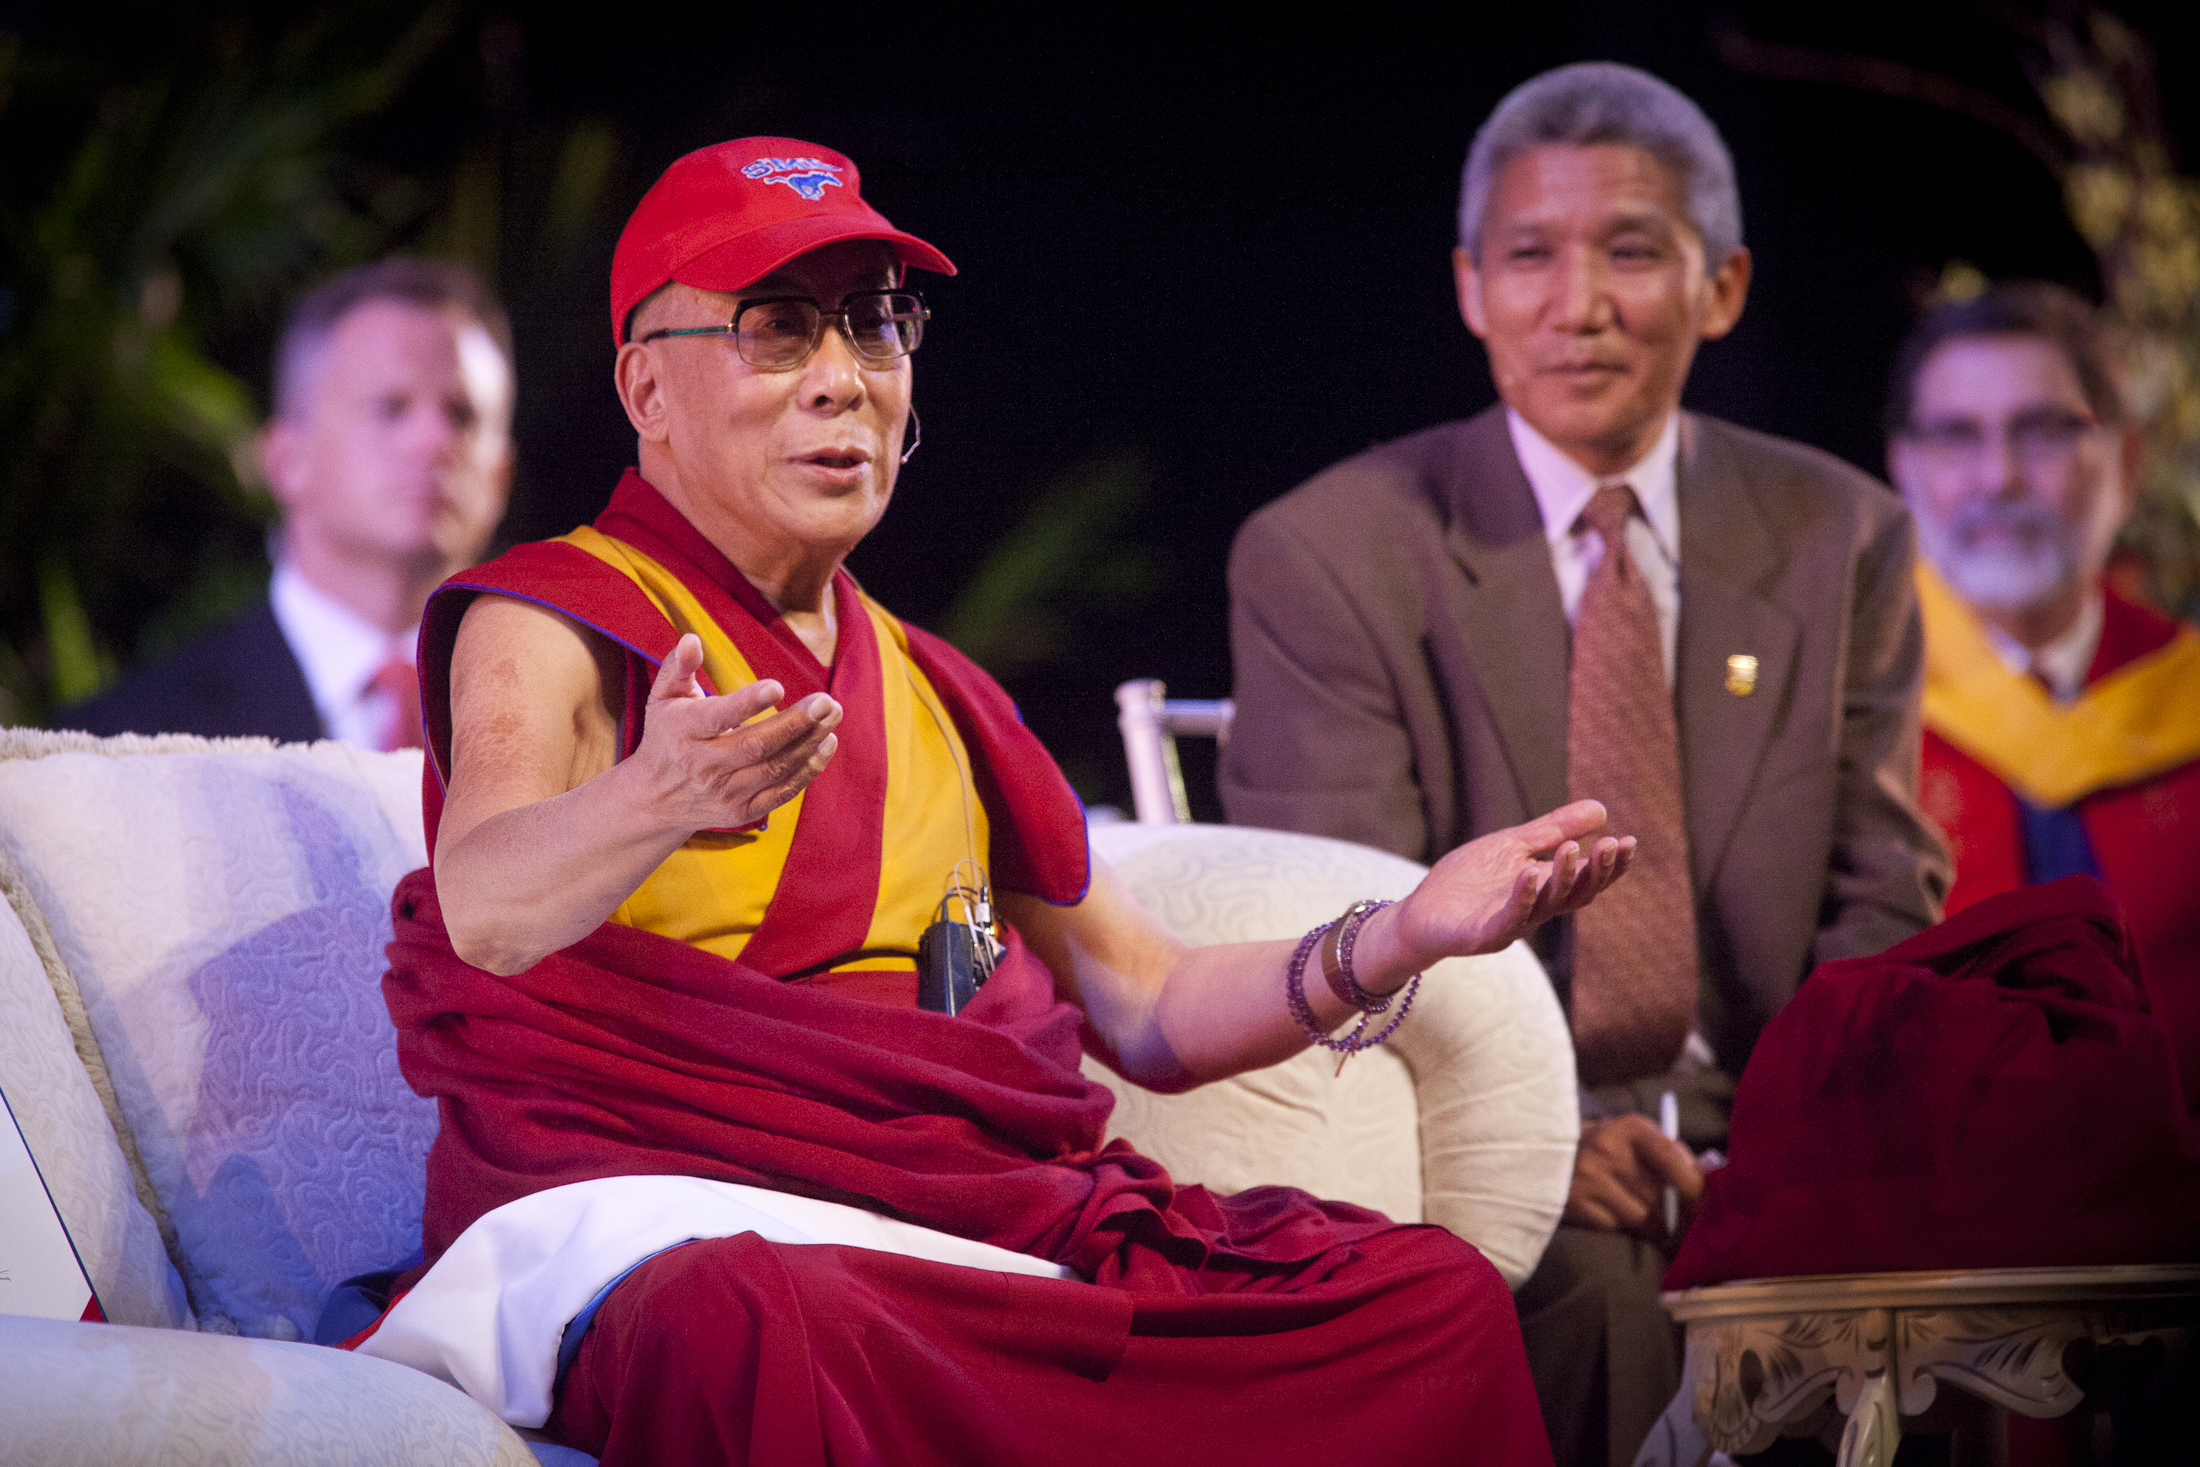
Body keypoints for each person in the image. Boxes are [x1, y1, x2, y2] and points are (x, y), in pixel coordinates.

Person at [353, 136, 1639, 1467]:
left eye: (877, 326)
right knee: (751, 1320)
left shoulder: (936, 691)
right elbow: (488, 909)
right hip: (666, 1228)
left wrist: (1403, 932)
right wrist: (654, 795)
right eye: (778, 331)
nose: (846, 381)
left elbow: (1143, 1004)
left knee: (1423, 1300)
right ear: (646, 386)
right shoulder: (557, 617)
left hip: (950, 1232)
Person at [1220, 63, 1948, 1467]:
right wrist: (1544, 1141)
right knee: (1589, 1289)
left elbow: (1881, 900)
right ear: (1470, 287)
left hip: (1780, 1130)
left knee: (1973, 1270)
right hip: (1493, 1129)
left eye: (1631, 251)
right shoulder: (1332, 552)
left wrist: (1802, 1153)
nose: (1581, 303)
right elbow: (1346, 932)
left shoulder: (1839, 534)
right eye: (1532, 256)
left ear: (1722, 286)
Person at [1887, 281, 2200, 1099]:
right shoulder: (1849, 701)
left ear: (2125, 462)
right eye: (1957, 437)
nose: (2000, 478)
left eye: (2044, 433)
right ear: (1902, 467)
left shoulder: (2186, 691)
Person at [66, 258, 513, 749]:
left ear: (500, 477)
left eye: (463, 417)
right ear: (285, 460)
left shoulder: (593, 730)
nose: (433, 441)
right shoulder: (125, 741)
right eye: (391, 407)